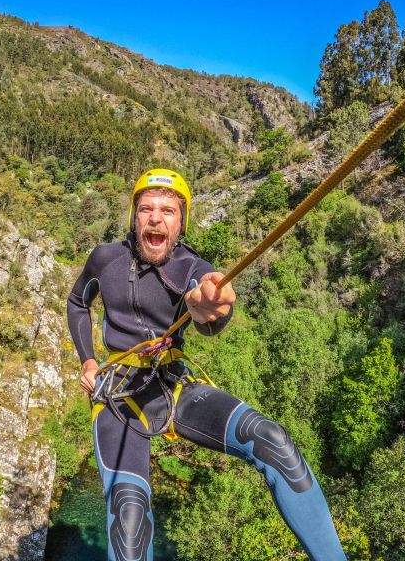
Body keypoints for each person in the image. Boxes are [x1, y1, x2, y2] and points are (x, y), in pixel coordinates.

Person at [67, 168, 347, 561]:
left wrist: (212, 311)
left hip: (174, 388)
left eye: (168, 210)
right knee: (129, 516)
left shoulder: (190, 266)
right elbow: (78, 302)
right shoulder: (105, 260)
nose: (155, 217)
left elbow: (210, 304)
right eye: (146, 207)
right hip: (119, 398)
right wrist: (89, 362)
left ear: (181, 222)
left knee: (273, 442)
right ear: (133, 216)